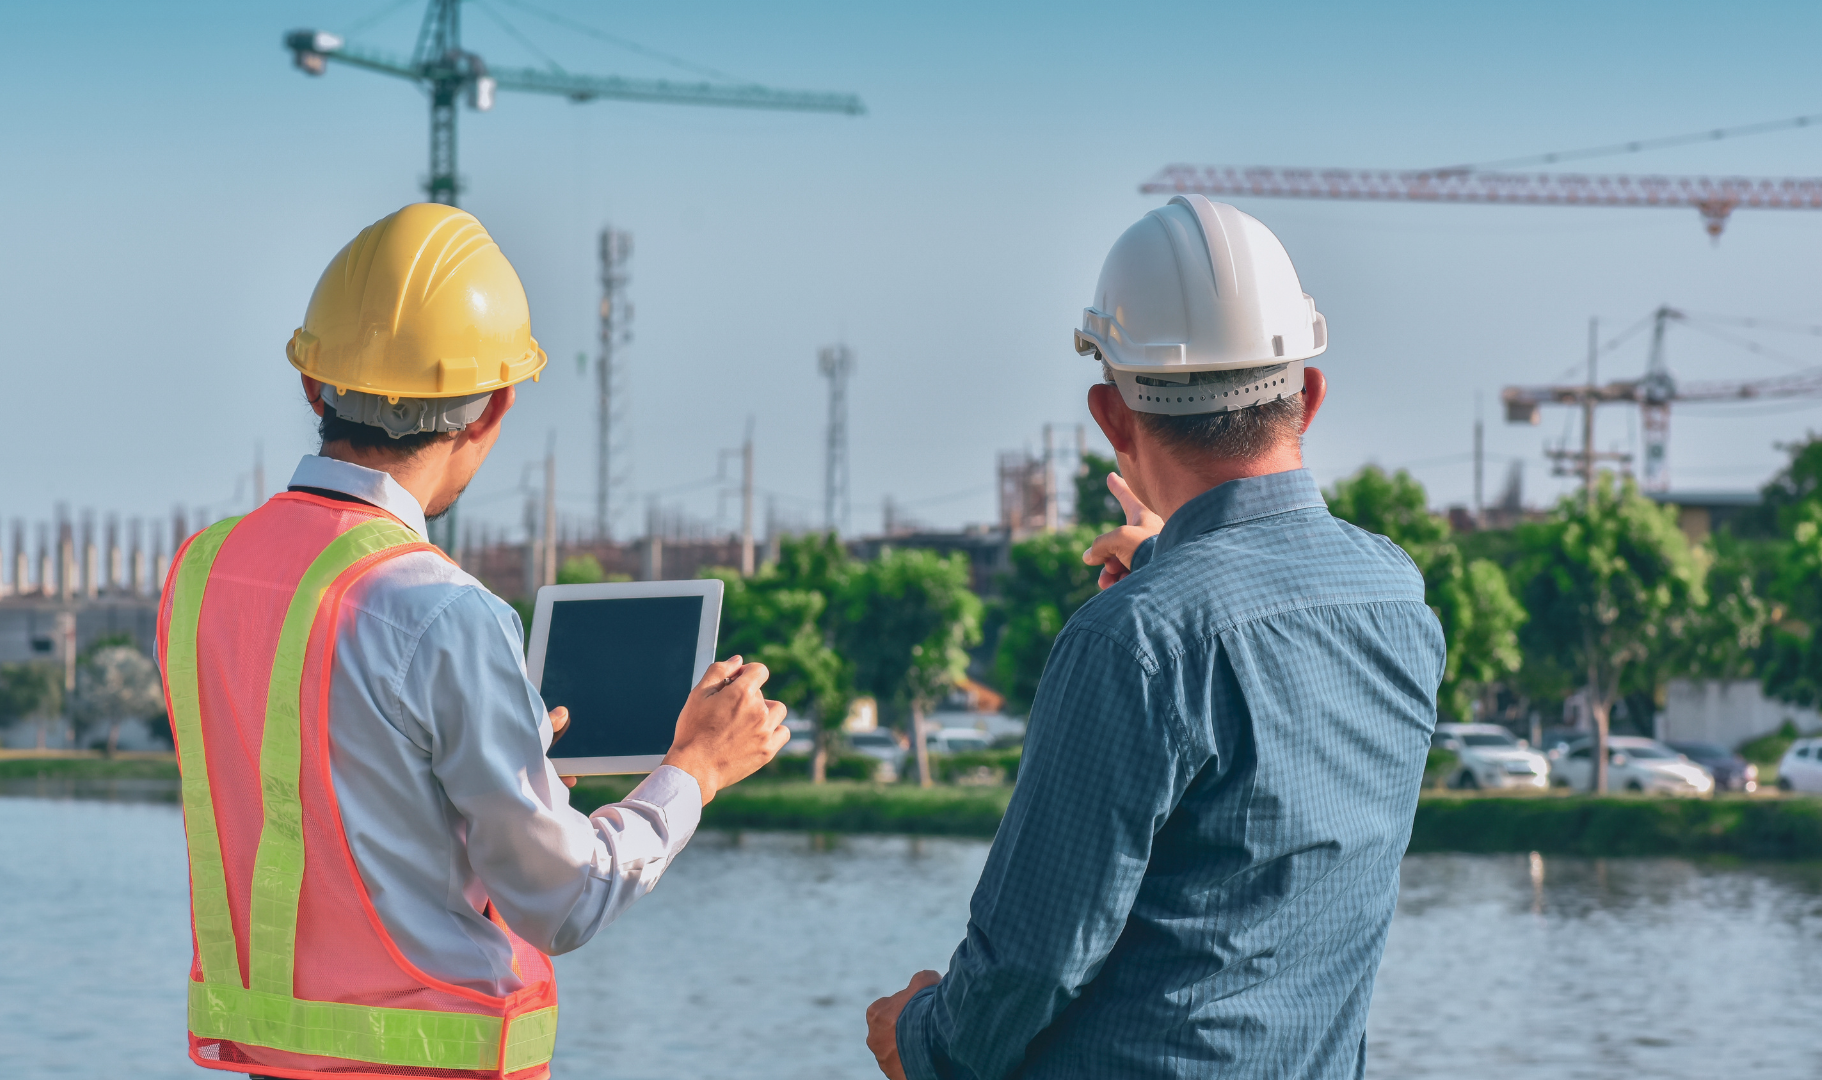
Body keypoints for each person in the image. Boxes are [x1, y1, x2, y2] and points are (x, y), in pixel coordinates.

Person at [158, 203, 789, 1079]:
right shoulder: (441, 612)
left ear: (313, 385)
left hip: (272, 1060)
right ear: (493, 408)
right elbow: (564, 901)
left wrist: (490, 761)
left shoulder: (203, 572)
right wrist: (696, 771)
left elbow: (320, 803)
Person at [865, 196, 1444, 1079]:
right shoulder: (1395, 596)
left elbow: (1029, 962)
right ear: (1310, 395)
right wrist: (1178, 567)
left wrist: (919, 1041)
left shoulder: (1131, 643)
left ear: (1112, 416)